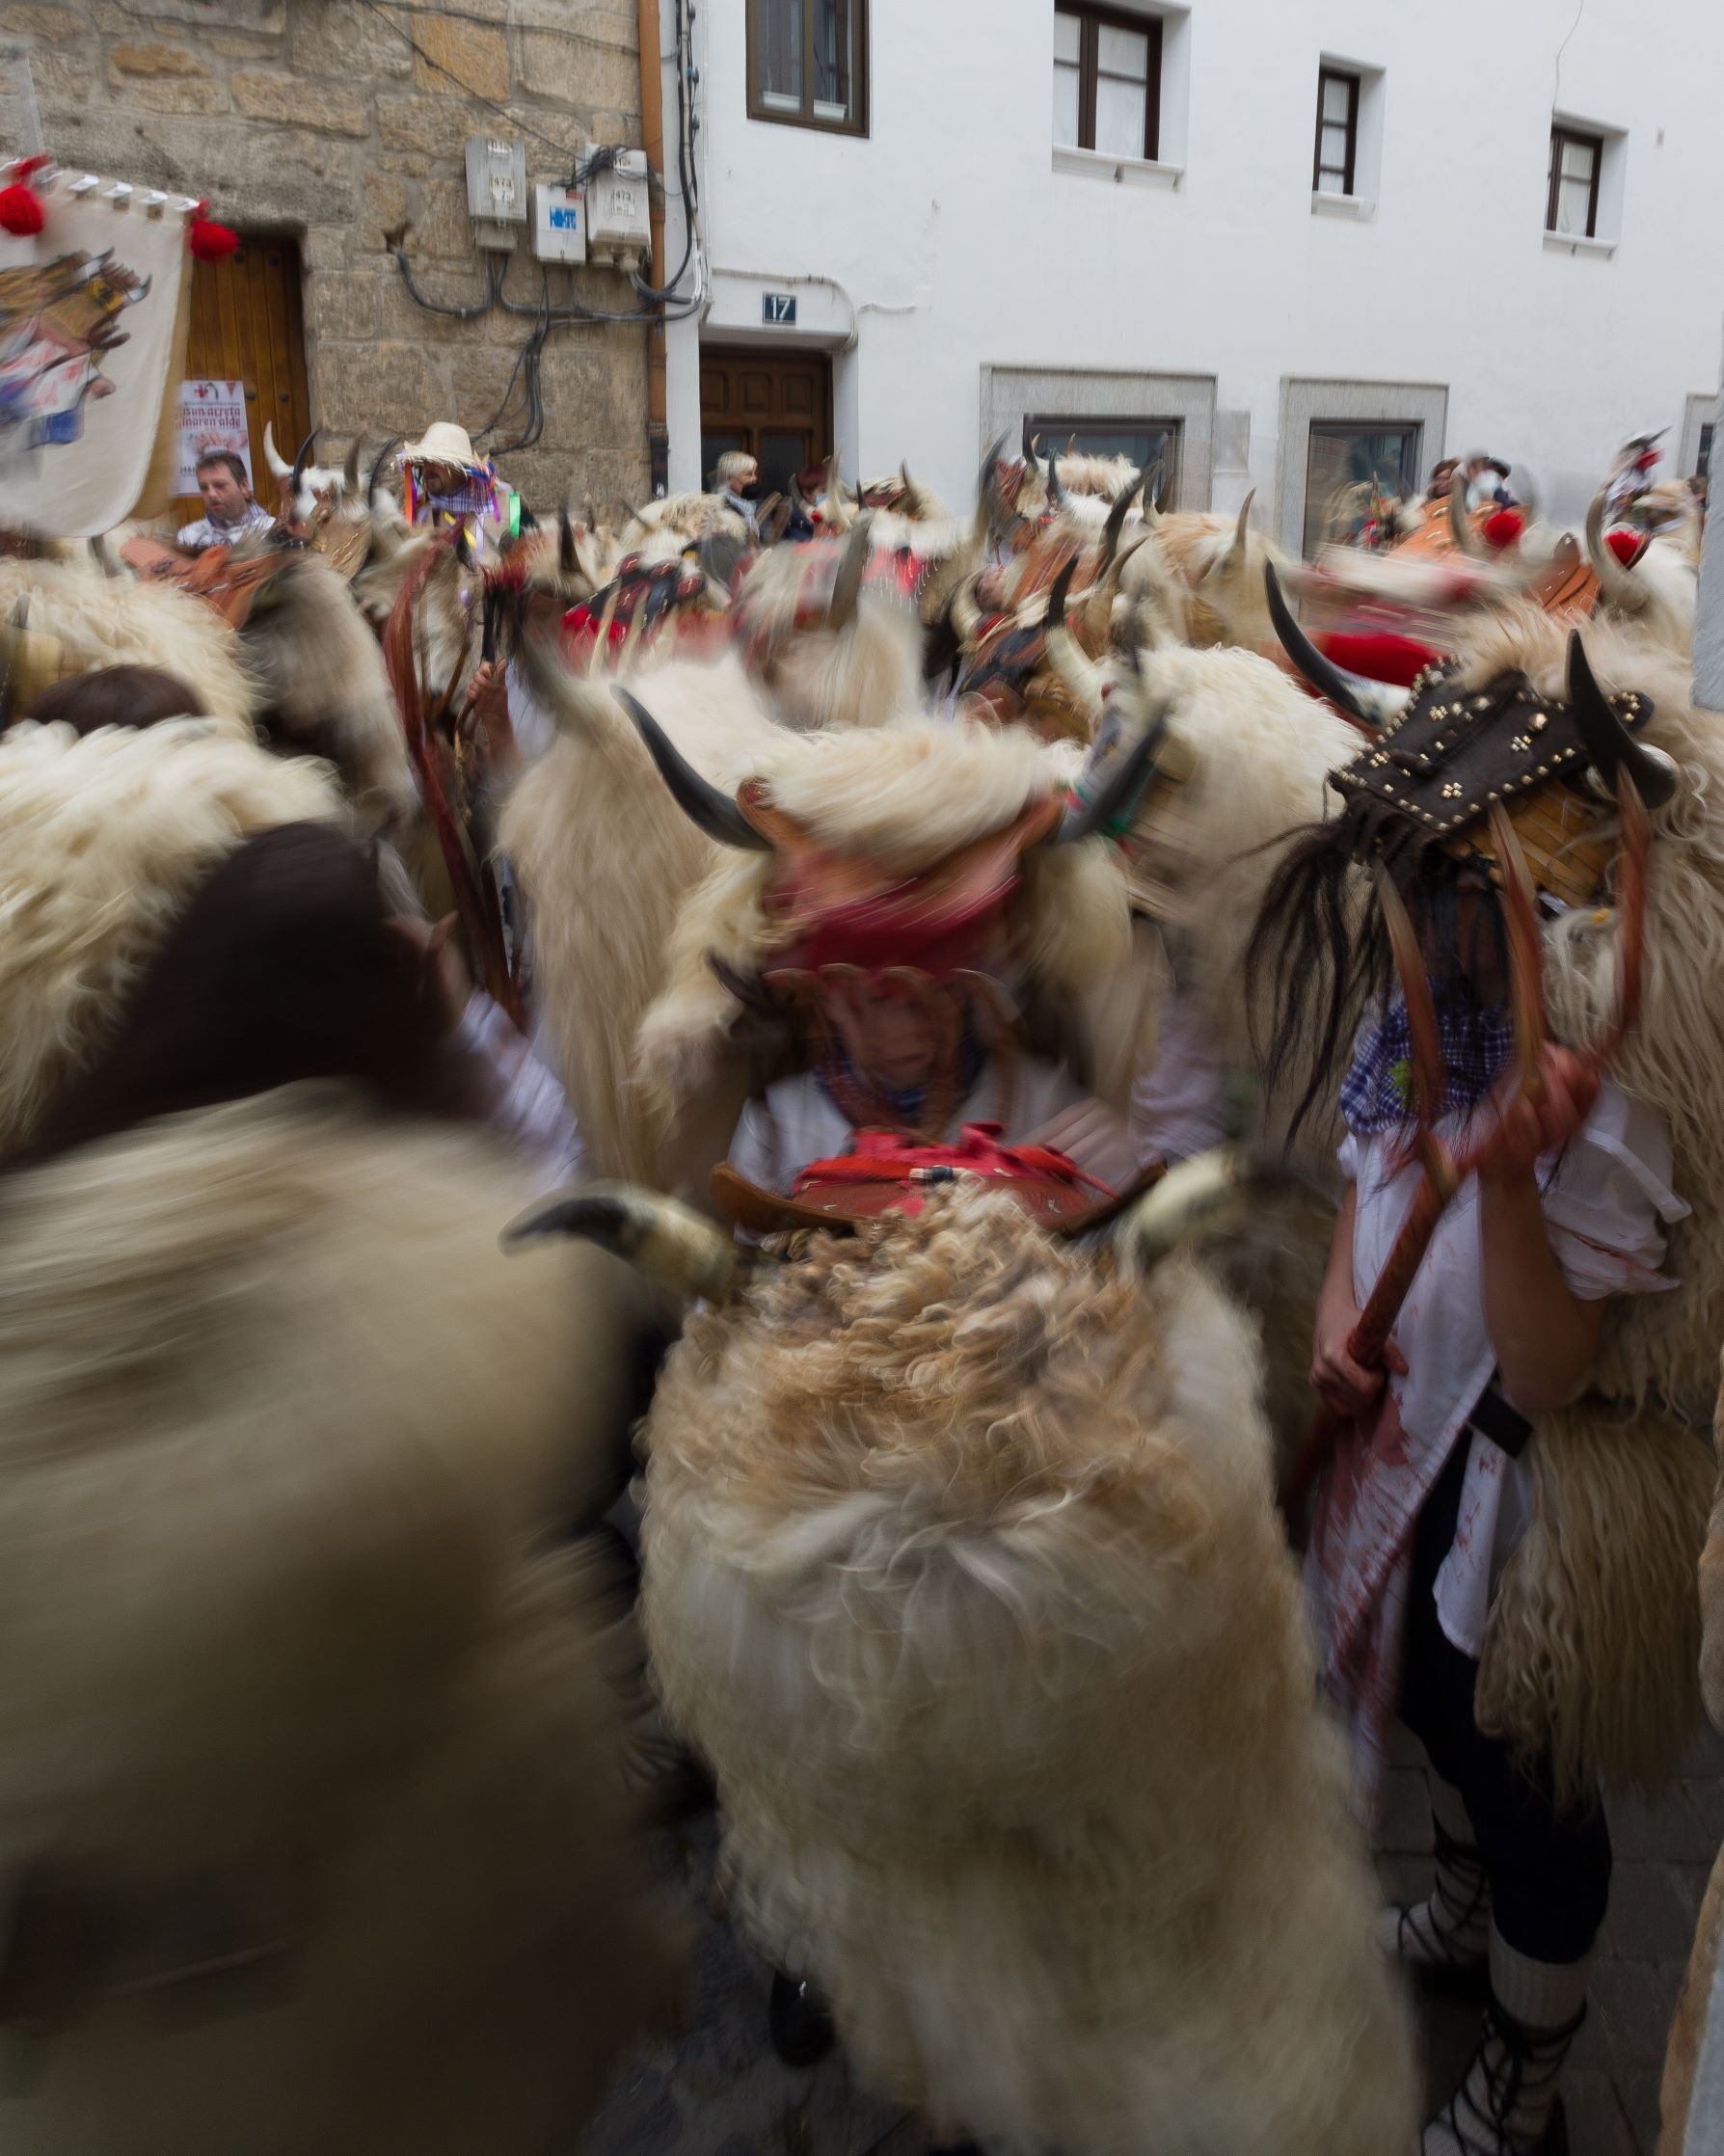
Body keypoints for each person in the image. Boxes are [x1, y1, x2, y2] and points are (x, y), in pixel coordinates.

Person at [1247, 630, 1695, 2156]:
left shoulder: (1607, 1104)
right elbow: (1365, 1204)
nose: (1429, 922)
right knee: (1436, 1721)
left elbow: (1553, 1363)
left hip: (1516, 1499)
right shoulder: (1413, 1030)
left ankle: (1528, 2083)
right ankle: (1454, 1911)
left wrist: (1507, 1178)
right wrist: (1334, 1326)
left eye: (1459, 890)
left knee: (1530, 1793)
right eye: (1423, 885)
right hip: (1395, 1450)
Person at [175, 447, 276, 550]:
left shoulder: (272, 531)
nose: (211, 494)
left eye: (219, 485)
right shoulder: (188, 537)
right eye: (204, 488)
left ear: (243, 486)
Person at [714, 447, 762, 533]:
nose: (754, 478)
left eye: (754, 473)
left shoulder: (752, 504)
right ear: (728, 478)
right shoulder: (721, 509)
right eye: (748, 474)